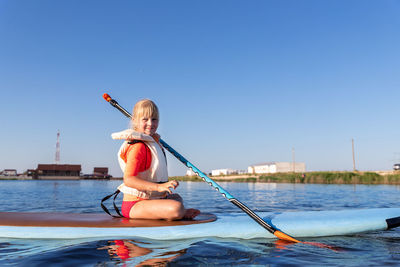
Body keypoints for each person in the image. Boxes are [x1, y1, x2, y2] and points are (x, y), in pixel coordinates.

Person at [112, 99, 200, 220]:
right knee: (176, 208)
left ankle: (178, 212)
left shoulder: (152, 143)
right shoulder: (138, 146)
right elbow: (129, 180)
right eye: (145, 119)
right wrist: (159, 187)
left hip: (152, 199)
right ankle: (180, 212)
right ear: (135, 121)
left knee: (177, 198)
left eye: (154, 119)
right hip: (134, 204)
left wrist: (163, 188)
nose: (150, 123)